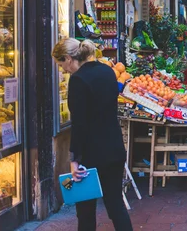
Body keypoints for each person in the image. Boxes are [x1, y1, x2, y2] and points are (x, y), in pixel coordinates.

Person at [52, 38, 133, 231]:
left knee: (86, 211)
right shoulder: (107, 71)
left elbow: (80, 124)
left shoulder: (78, 80)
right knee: (115, 205)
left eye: (61, 64)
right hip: (114, 147)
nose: (63, 70)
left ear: (69, 58)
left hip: (92, 154)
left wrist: (74, 159)